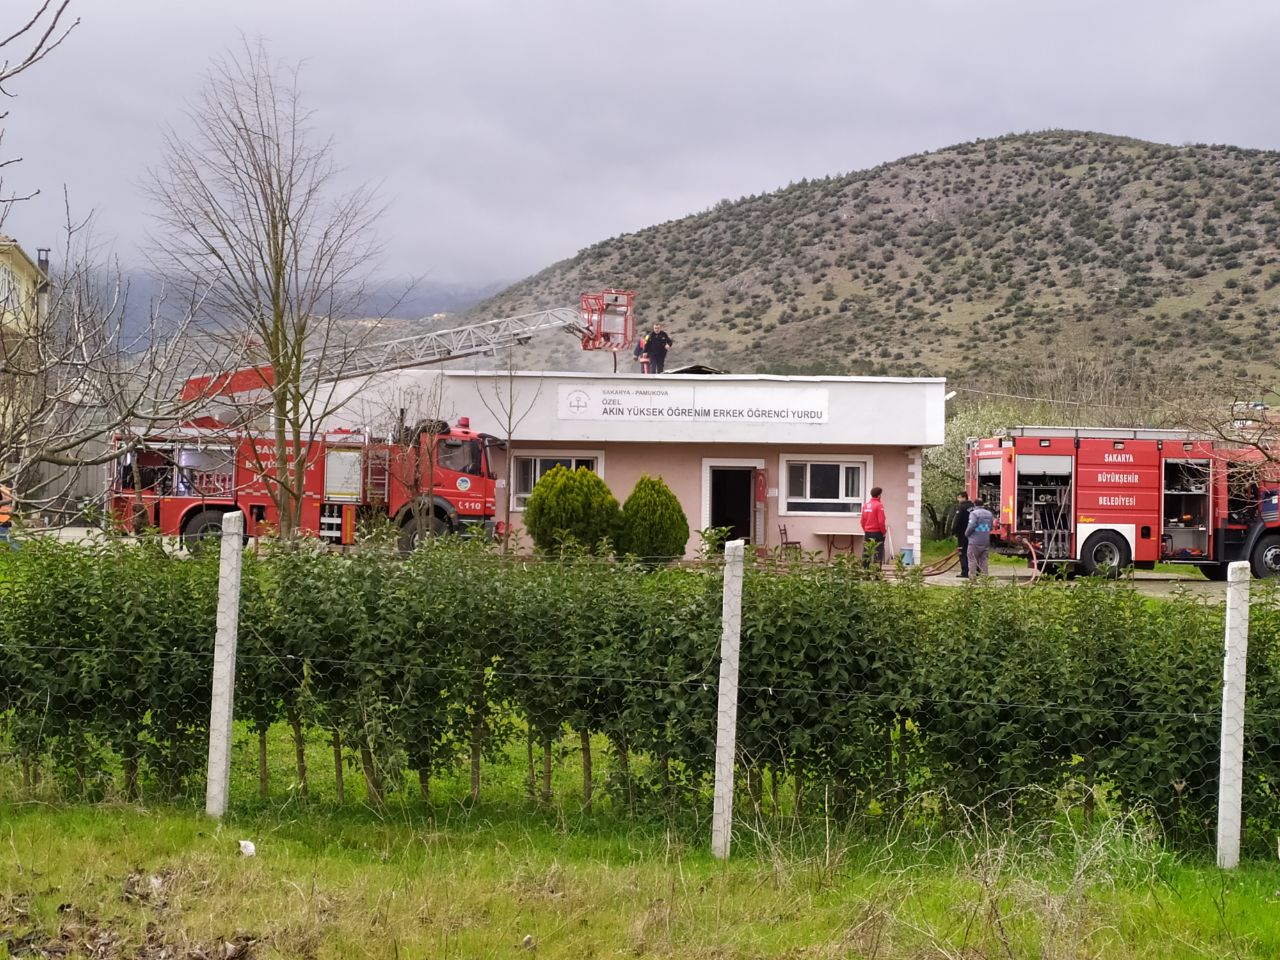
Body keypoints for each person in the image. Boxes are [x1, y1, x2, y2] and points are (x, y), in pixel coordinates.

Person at [965, 496, 995, 576]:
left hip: (974, 540)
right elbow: (991, 526)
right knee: (983, 560)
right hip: (985, 540)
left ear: (974, 504)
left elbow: (971, 525)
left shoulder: (974, 513)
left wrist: (966, 534)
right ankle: (985, 579)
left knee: (972, 559)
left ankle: (972, 578)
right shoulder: (989, 514)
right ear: (983, 504)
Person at [860, 486, 886, 566]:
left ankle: (865, 571)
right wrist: (884, 532)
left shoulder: (865, 506)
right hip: (877, 532)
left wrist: (866, 529)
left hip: (868, 532)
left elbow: (862, 521)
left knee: (866, 553)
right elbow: (881, 521)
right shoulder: (879, 505)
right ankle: (876, 574)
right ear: (878, 495)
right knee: (878, 553)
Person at [952, 492, 972, 578]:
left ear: (964, 498)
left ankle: (965, 572)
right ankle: (976, 571)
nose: (958, 500)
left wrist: (953, 531)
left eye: (959, 498)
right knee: (972, 553)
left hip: (962, 534)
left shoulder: (961, 508)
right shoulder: (973, 507)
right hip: (973, 534)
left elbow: (957, 521)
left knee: (963, 553)